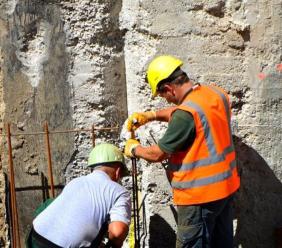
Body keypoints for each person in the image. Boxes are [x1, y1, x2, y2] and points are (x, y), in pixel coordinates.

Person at [124, 55, 240, 248]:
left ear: (169, 88)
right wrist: (151, 115)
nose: (166, 100)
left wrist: (134, 149)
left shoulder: (185, 115)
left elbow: (157, 154)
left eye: (163, 96)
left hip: (199, 197)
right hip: (225, 189)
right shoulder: (215, 94)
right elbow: (187, 112)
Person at [28, 143, 131, 248]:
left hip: (35, 235)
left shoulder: (76, 182)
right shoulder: (119, 192)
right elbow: (117, 232)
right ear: (118, 171)